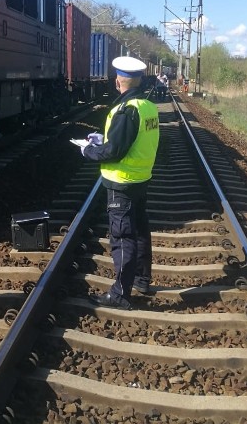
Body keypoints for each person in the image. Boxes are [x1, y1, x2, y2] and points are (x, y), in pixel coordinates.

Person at [78, 56, 159, 309]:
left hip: (122, 182)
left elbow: (115, 152)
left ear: (118, 81)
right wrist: (104, 139)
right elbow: (131, 140)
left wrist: (88, 150)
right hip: (140, 178)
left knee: (123, 237)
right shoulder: (147, 106)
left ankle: (120, 294)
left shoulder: (125, 110)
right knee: (140, 231)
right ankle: (142, 279)